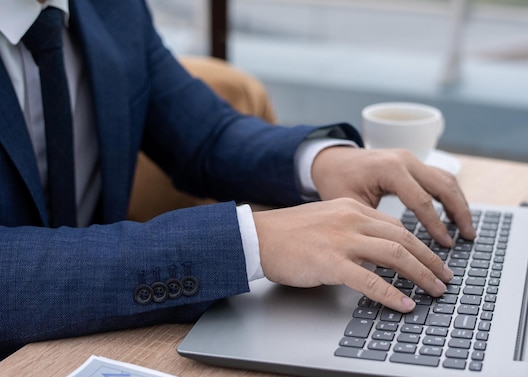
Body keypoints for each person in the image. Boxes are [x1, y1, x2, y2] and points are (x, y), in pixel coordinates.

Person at [0, 0, 475, 358]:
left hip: (100, 347)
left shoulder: (111, 7)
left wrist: (320, 161)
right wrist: (247, 242)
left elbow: (203, 135)